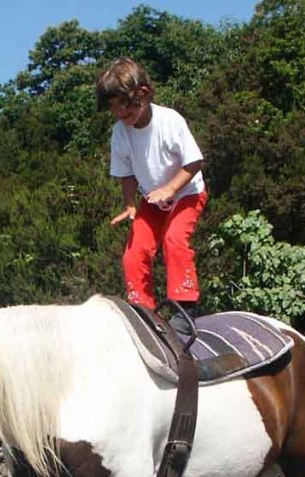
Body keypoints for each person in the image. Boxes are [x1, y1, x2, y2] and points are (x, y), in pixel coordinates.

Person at [96, 57, 207, 315]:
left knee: (174, 240)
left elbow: (194, 162)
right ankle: (143, 310)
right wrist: (129, 204)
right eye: (115, 112)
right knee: (134, 253)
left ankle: (184, 308)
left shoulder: (170, 120)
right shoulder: (120, 133)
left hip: (186, 193)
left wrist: (170, 189)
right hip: (153, 200)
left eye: (127, 110)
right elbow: (127, 174)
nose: (123, 117)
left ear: (143, 94)